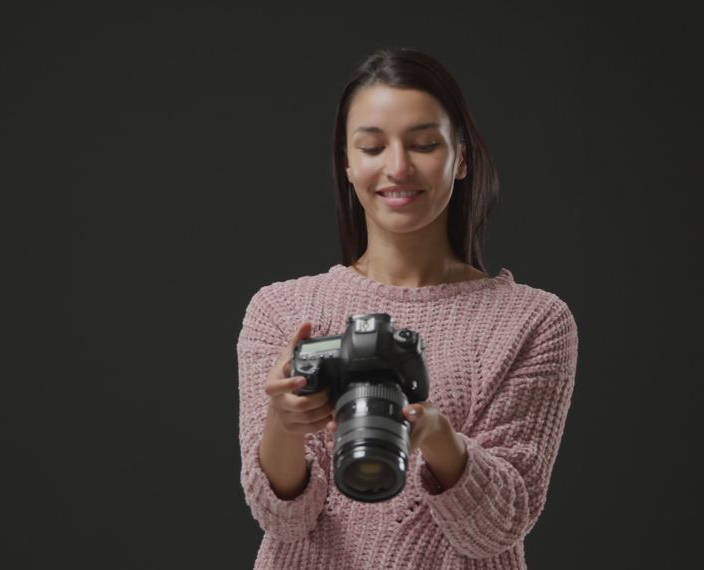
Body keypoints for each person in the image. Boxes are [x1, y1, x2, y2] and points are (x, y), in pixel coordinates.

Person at [236, 48, 579, 569]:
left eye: (423, 144)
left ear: (461, 158)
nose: (397, 167)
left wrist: (439, 441)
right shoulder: (282, 311)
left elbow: (501, 527)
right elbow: (283, 521)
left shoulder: (533, 322)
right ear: (347, 164)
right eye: (372, 147)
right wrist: (285, 424)